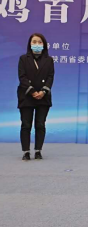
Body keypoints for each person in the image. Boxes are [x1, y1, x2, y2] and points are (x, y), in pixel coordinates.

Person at [17, 33, 55, 161]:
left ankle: (38, 151)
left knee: (40, 124)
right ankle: (26, 151)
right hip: (27, 96)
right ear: (30, 44)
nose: (37, 44)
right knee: (26, 125)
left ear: (44, 45)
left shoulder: (49, 60)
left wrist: (43, 91)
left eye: (39, 42)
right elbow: (22, 77)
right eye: (34, 42)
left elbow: (50, 77)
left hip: (43, 97)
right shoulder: (23, 59)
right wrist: (32, 91)